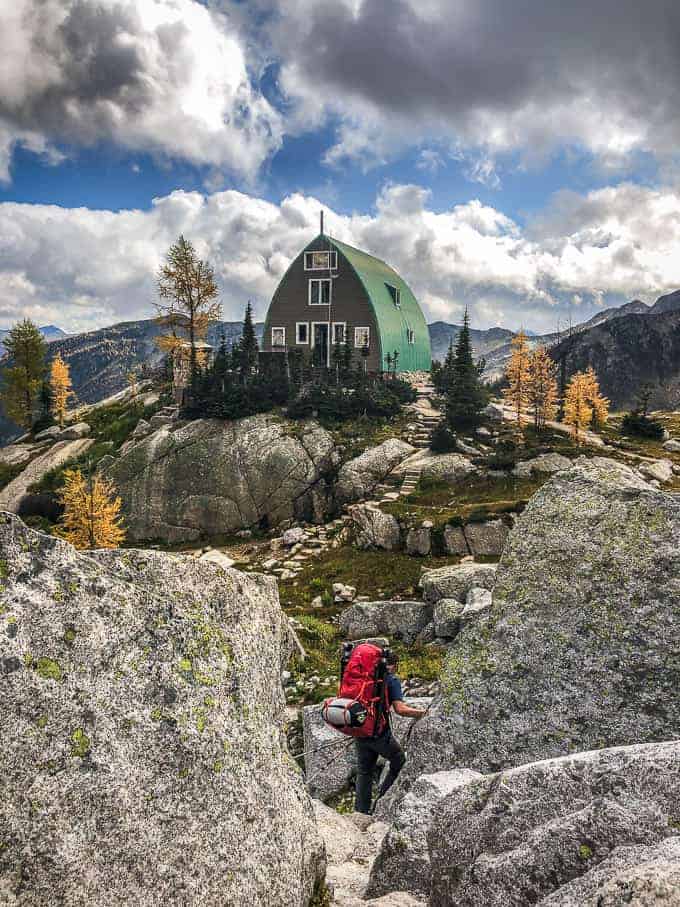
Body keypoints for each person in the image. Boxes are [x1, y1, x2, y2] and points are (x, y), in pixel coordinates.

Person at [354, 652, 426, 814]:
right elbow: (400, 709)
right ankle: (382, 799)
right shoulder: (391, 679)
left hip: (360, 729)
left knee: (364, 770)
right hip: (379, 733)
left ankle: (361, 811)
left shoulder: (365, 677)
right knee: (399, 759)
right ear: (394, 665)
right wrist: (424, 713)